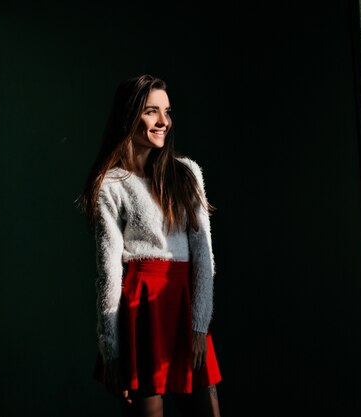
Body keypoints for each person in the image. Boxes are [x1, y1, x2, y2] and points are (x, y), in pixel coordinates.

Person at [78, 74, 222, 417]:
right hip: (141, 307)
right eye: (151, 111)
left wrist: (200, 325)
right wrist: (111, 348)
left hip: (185, 301)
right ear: (130, 116)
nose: (163, 122)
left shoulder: (186, 172)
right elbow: (109, 272)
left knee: (207, 407)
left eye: (167, 112)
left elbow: (204, 255)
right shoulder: (111, 184)